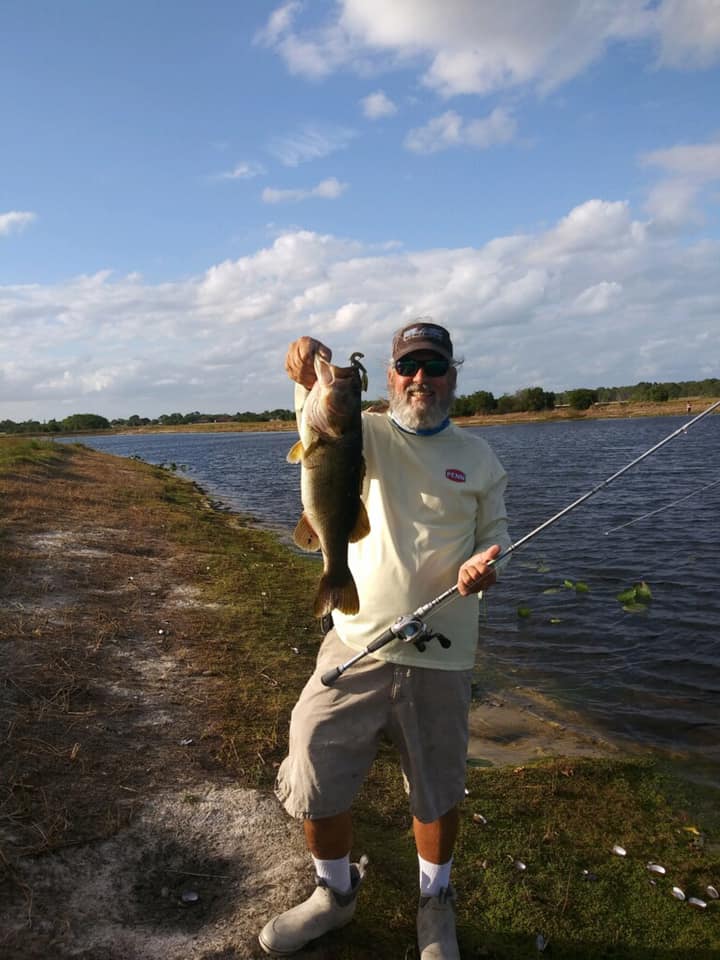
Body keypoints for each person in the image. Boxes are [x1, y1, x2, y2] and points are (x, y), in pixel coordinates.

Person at [259, 319, 511, 959]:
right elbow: (316, 411)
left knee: (437, 788)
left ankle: (436, 905)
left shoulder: (480, 458)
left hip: (442, 655)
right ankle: (333, 895)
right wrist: (306, 362)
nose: (420, 379)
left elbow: (497, 537)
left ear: (453, 376)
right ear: (392, 377)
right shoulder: (359, 432)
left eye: (433, 367)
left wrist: (486, 564)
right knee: (313, 764)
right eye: (408, 368)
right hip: (353, 644)